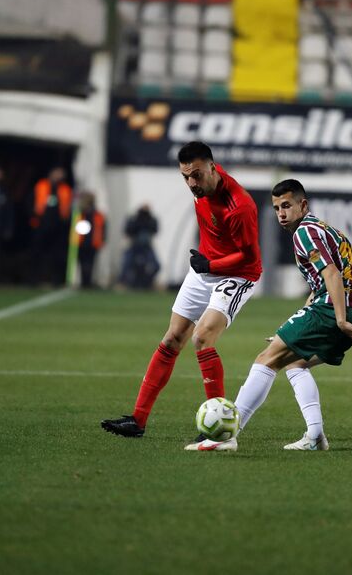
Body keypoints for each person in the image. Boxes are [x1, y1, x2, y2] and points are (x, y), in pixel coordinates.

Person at [188, 179, 352, 451]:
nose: (281, 213)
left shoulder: (305, 233)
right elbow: (324, 282)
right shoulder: (326, 230)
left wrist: (340, 319)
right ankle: (315, 436)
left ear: (303, 205)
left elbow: (331, 274)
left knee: (267, 360)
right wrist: (294, 325)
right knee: (294, 363)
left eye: (286, 205)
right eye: (277, 208)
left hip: (335, 308)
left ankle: (225, 436)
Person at [101, 141, 262, 439]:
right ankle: (138, 420)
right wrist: (207, 265)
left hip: (236, 275)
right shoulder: (202, 181)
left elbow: (250, 257)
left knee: (201, 338)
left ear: (213, 168)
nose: (191, 183)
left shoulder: (239, 206)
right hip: (204, 268)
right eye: (186, 176)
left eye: (197, 176)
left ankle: (219, 428)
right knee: (173, 337)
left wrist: (211, 265)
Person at [30, 166, 72, 286]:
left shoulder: (65, 189)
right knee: (37, 252)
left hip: (58, 227)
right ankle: (34, 279)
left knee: (57, 255)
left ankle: (56, 280)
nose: (59, 176)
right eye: (57, 173)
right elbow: (32, 203)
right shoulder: (41, 185)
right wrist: (34, 219)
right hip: (41, 224)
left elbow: (68, 207)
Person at [119, 204, 160, 289]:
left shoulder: (151, 219)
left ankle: (148, 282)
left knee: (156, 265)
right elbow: (128, 230)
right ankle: (123, 283)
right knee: (126, 263)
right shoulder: (134, 219)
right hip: (134, 246)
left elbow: (155, 229)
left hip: (147, 247)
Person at [75, 191, 105, 289]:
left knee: (90, 263)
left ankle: (87, 282)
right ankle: (84, 282)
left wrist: (102, 240)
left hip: (92, 242)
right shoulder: (80, 213)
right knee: (83, 262)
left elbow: (103, 228)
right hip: (82, 241)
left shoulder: (97, 214)